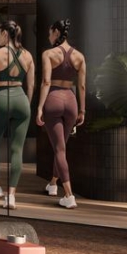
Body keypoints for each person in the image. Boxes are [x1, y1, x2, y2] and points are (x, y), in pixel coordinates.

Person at [0, 20, 35, 209]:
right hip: (22, 100)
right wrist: (26, 102)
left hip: (1, 99)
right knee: (16, 150)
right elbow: (31, 85)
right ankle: (11, 197)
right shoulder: (28, 55)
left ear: (4, 34)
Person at [35, 18, 86, 209]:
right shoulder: (79, 56)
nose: (49, 36)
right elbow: (81, 85)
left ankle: (69, 196)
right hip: (71, 102)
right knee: (62, 147)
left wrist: (39, 107)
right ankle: (52, 184)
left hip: (54, 100)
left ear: (56, 32)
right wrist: (82, 109)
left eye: (50, 32)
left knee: (59, 149)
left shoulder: (49, 54)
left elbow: (46, 82)